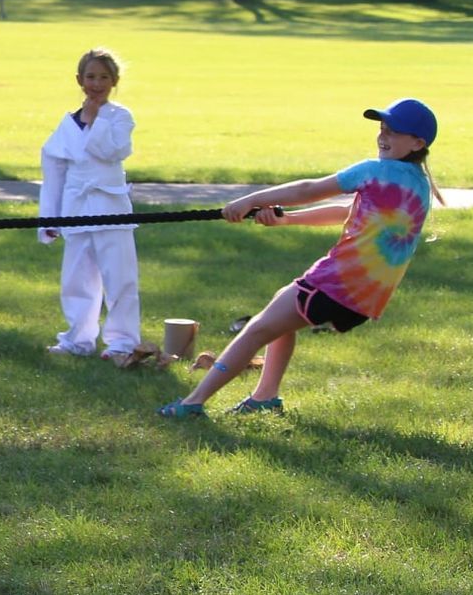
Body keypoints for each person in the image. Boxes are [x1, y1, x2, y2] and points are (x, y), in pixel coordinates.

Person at [157, 98, 441, 418]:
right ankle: (264, 397)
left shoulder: (376, 171)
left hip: (335, 282)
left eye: (393, 132)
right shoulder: (417, 184)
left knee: (256, 330)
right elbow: (347, 212)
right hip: (363, 296)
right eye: (382, 128)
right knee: (279, 314)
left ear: (418, 142)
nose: (382, 136)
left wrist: (252, 199)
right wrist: (287, 219)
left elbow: (309, 188)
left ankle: (192, 403)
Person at [37, 48, 141, 359]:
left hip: (109, 206)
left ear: (114, 81)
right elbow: (53, 169)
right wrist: (50, 218)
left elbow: (114, 151)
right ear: (80, 80)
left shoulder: (120, 116)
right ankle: (77, 339)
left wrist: (96, 121)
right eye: (91, 77)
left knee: (119, 277)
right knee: (77, 278)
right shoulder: (67, 123)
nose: (97, 84)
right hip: (76, 208)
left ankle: (122, 341)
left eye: (104, 77)